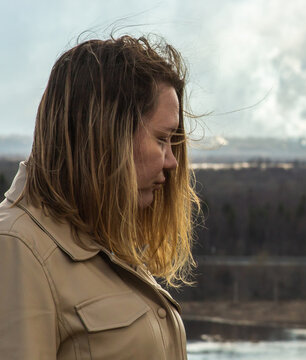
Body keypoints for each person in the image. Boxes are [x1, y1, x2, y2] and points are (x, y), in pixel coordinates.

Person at [0, 35, 199, 359]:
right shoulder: (16, 248)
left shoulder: (107, 243)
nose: (172, 162)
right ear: (106, 134)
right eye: (162, 139)